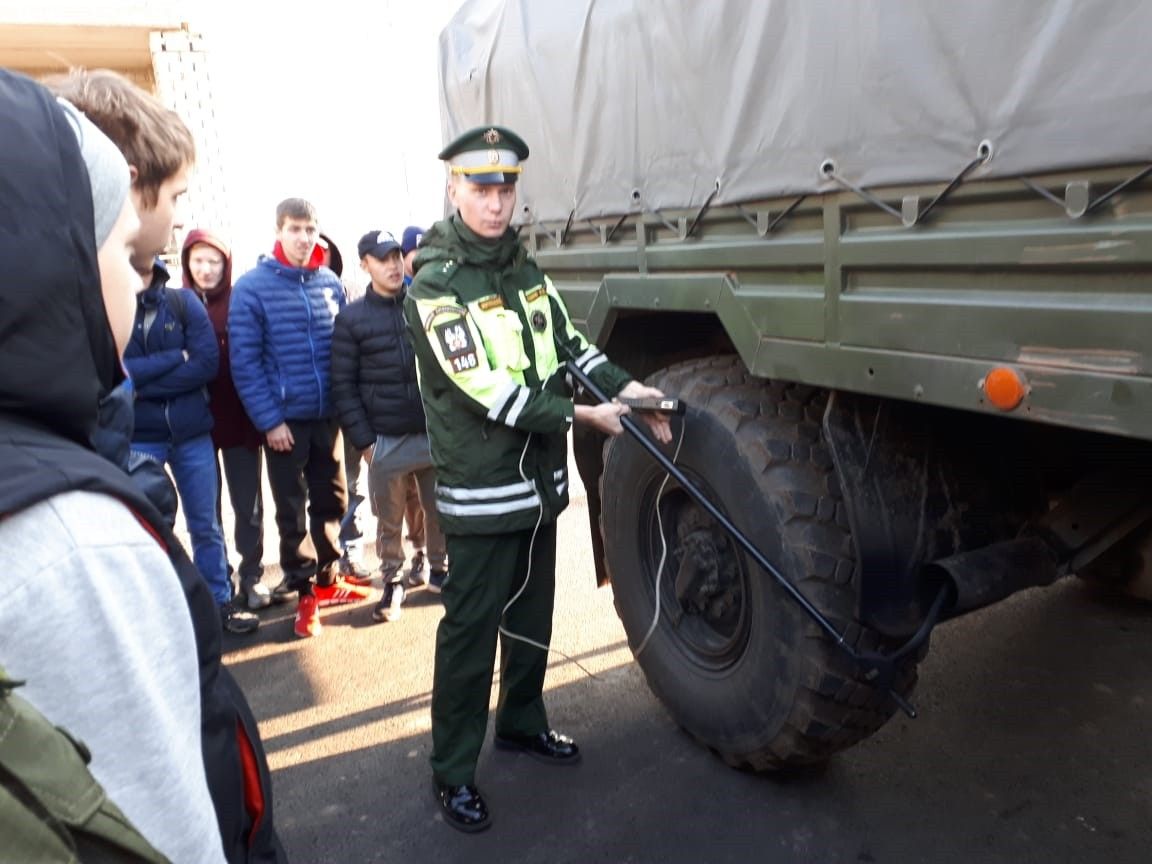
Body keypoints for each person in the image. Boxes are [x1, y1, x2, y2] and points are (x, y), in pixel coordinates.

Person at [40, 66, 286, 862]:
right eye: (173, 200)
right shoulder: (68, 529)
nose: (175, 228)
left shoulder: (82, 420)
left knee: (209, 527)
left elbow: (199, 363)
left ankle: (225, 600)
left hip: (172, 437)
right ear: (129, 183)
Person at [403, 126, 673, 832]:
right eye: (482, 188)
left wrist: (633, 390)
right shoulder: (436, 284)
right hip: (483, 490)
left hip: (538, 488)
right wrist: (586, 414)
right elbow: (482, 388)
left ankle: (522, 722)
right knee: (470, 633)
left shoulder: (527, 273)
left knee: (529, 618)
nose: (497, 204)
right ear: (454, 188)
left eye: (507, 189)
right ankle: (453, 770)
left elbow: (573, 347)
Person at [0, 70, 224, 862]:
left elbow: (200, 363)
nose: (140, 278)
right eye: (124, 252)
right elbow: (164, 825)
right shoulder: (75, 550)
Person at [229, 198, 373, 639]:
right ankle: (304, 590)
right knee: (291, 508)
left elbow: (343, 351)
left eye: (310, 229)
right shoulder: (252, 288)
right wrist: (270, 421)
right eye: (295, 229)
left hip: (326, 415)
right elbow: (245, 362)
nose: (304, 238)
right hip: (284, 423)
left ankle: (328, 580)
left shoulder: (328, 282)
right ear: (278, 231)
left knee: (333, 500)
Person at [332, 230, 448, 624]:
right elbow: (343, 386)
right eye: (383, 258)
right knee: (389, 519)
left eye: (397, 256)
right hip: (386, 441)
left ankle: (440, 570)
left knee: (440, 510)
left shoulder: (420, 305)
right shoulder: (351, 319)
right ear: (365, 263)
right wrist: (366, 443)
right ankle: (393, 581)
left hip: (431, 433)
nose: (395, 265)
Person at [183, 229, 272, 611]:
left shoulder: (240, 301)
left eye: (214, 261)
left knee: (248, 506)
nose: (206, 269)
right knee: (207, 511)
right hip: (195, 427)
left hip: (240, 420)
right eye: (198, 260)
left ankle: (251, 576)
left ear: (226, 264)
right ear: (187, 263)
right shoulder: (179, 303)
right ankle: (218, 579)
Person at [399, 224, 433, 588]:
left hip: (439, 413)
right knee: (410, 495)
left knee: (439, 494)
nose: (418, 258)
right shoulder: (398, 296)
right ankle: (419, 553)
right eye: (414, 252)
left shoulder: (441, 290)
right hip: (408, 412)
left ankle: (442, 556)